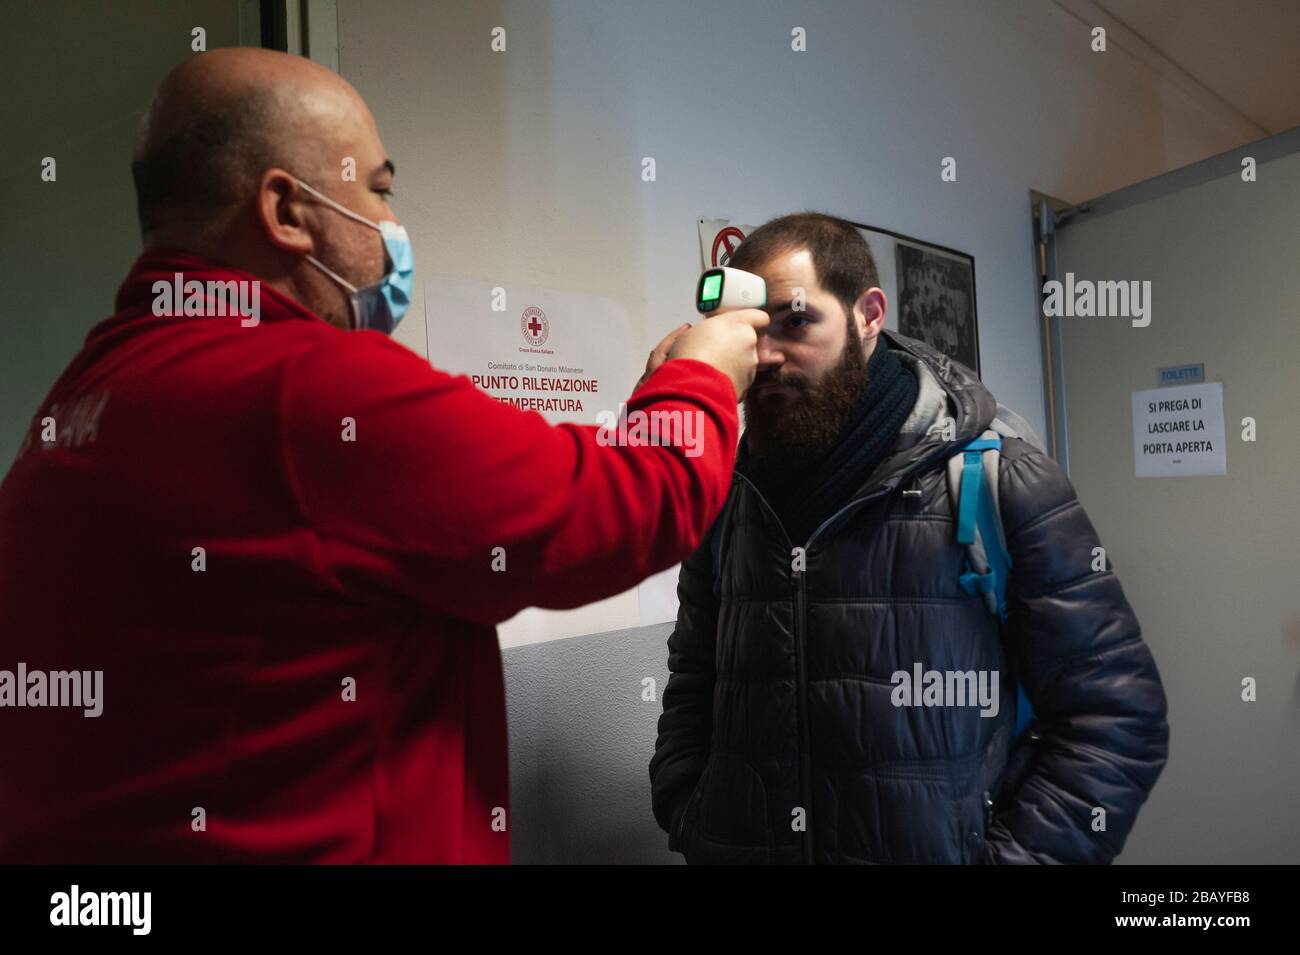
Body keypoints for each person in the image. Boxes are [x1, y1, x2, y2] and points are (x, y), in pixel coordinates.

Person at [0, 47, 767, 863]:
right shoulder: (306, 388)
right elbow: (627, 505)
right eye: (378, 189)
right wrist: (701, 376)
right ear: (286, 210)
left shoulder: (87, 394)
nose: (394, 226)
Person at [649, 212, 1169, 864]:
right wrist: (690, 808)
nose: (767, 354)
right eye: (751, 329)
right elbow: (694, 677)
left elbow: (1118, 719)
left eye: (796, 320)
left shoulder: (994, 477)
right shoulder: (726, 496)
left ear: (868, 315)